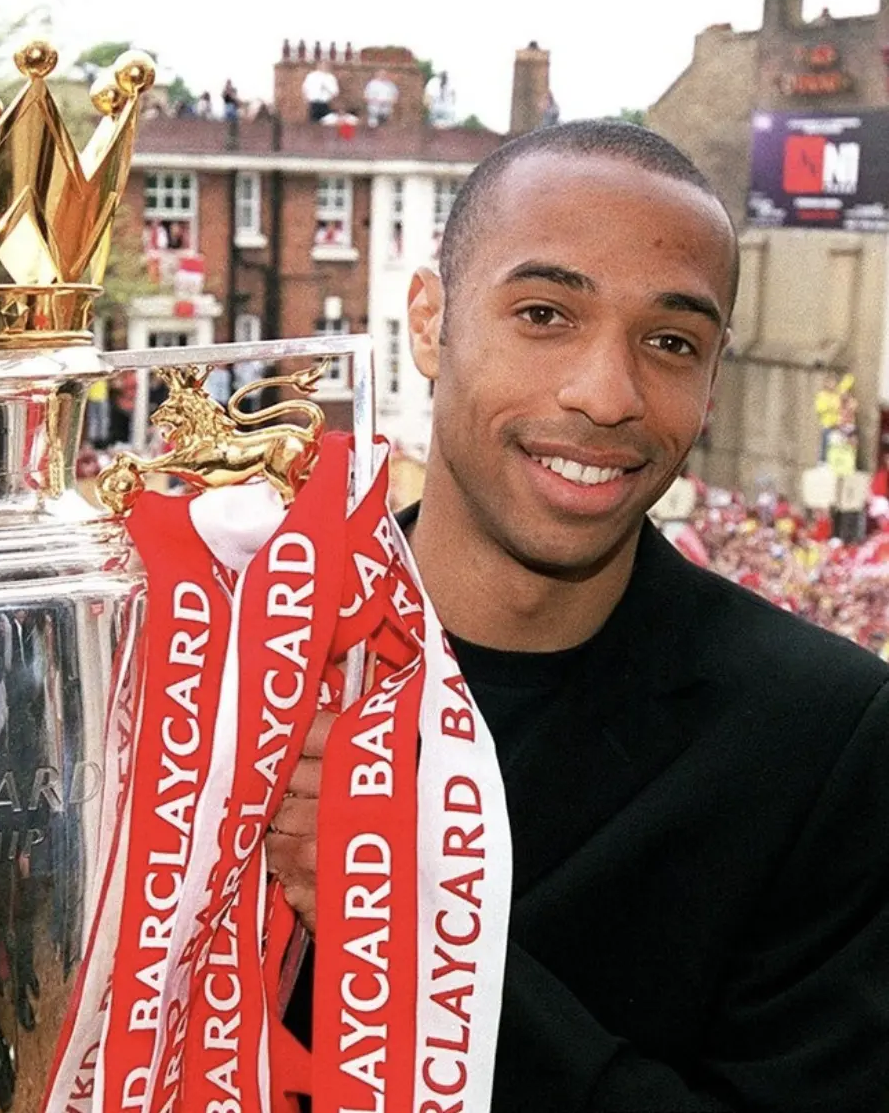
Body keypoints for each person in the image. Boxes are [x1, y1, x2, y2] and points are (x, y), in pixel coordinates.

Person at [266, 120, 889, 1110]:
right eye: (545, 314)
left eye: (671, 342)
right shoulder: (235, 672)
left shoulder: (823, 737)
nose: (606, 395)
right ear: (428, 323)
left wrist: (420, 932)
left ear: (713, 378)